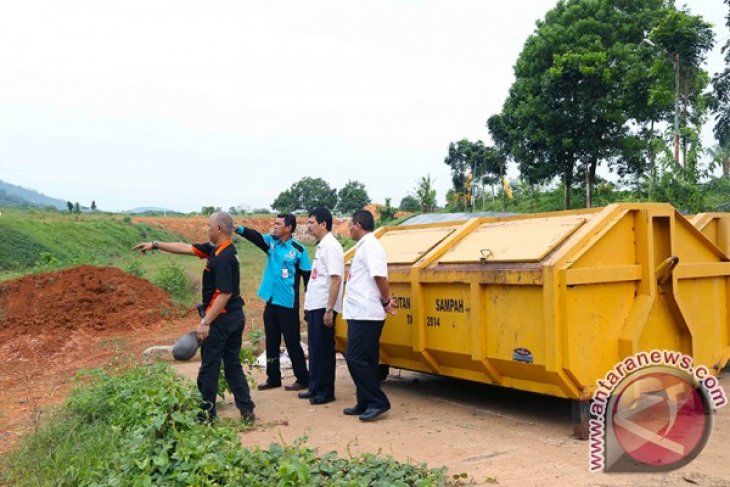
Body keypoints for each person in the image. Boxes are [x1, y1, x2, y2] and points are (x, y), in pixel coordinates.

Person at [132, 211, 255, 424]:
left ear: (219, 229)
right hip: (235, 316)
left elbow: (224, 294)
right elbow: (185, 247)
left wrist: (206, 322)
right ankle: (247, 410)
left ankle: (206, 416)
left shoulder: (224, 258)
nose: (206, 229)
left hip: (222, 319)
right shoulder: (216, 250)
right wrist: (156, 244)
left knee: (209, 368)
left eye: (208, 225)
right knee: (232, 364)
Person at [235, 214, 311, 391]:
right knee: (271, 341)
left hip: (288, 304)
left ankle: (303, 378)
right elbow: (255, 237)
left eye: (278, 224)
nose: (274, 227)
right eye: (274, 223)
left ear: (289, 228)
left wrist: (308, 306)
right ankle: (273, 377)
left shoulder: (299, 250)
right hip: (271, 301)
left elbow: (308, 281)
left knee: (292, 341)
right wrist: (239, 229)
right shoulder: (271, 243)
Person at [342, 209, 396, 422]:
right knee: (367, 360)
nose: (347, 229)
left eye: (349, 225)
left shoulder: (371, 246)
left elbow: (380, 277)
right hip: (359, 311)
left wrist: (385, 301)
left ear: (357, 225)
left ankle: (378, 401)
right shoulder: (363, 246)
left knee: (355, 358)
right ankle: (364, 401)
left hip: (366, 312)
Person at [300, 207, 344, 405]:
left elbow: (336, 279)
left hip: (324, 307)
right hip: (316, 306)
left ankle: (326, 391)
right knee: (315, 350)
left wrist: (329, 309)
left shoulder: (332, 247)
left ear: (323, 224)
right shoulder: (321, 246)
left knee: (324, 350)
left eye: (311, 222)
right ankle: (315, 386)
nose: (308, 226)